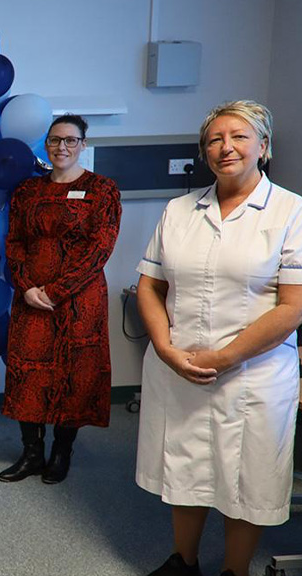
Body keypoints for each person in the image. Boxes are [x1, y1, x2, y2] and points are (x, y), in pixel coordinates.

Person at [136, 101, 302, 576]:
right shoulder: (180, 210)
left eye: (239, 137)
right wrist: (167, 350)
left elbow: (292, 307)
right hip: (179, 363)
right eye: (214, 139)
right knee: (185, 466)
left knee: (245, 477)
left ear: (263, 147)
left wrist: (226, 357)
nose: (225, 147)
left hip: (253, 373)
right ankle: (182, 561)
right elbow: (150, 285)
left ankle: (234, 570)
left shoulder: (291, 212)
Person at [0, 114, 122, 484]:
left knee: (74, 374)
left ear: (83, 144)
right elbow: (15, 242)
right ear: (46, 144)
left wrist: (56, 291)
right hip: (30, 296)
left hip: (79, 300)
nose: (62, 147)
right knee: (28, 373)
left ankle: (61, 451)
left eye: (70, 140)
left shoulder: (103, 190)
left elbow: (100, 249)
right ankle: (31, 453)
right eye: (55, 140)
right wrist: (26, 287)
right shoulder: (27, 191)